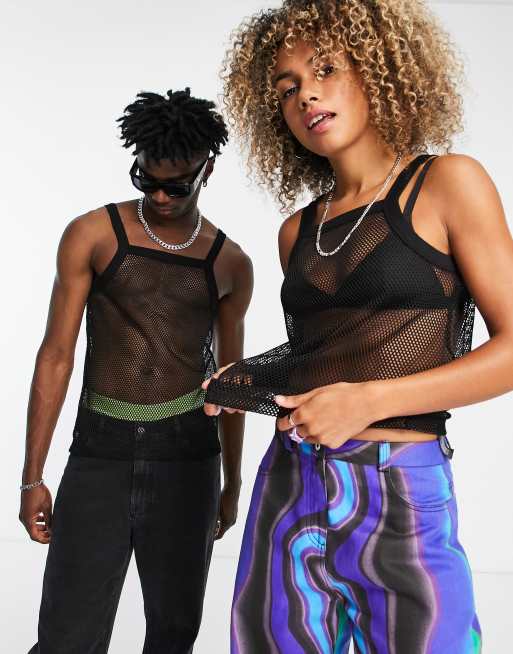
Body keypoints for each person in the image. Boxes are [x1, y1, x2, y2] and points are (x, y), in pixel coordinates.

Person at [204, 1, 513, 652]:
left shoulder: (446, 184)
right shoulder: (297, 231)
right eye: (286, 87)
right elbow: (334, 353)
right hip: (288, 483)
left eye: (325, 69)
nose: (305, 94)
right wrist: (250, 378)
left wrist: (369, 402)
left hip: (397, 486)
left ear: (378, 69)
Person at [20, 87, 253, 653]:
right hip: (100, 450)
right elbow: (56, 354)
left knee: (173, 634)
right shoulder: (94, 234)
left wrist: (232, 483)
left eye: (176, 186)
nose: (160, 196)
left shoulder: (230, 262)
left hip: (188, 457)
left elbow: (230, 382)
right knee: (66, 638)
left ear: (208, 170)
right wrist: (32, 476)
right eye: (145, 180)